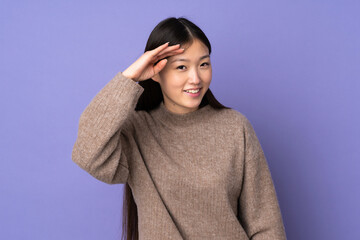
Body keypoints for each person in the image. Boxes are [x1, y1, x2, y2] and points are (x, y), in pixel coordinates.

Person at [71, 17, 287, 240]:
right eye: (181, 67)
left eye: (204, 64)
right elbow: (87, 153)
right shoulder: (137, 130)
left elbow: (266, 224)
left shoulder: (235, 127)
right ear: (155, 71)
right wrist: (130, 77)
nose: (195, 78)